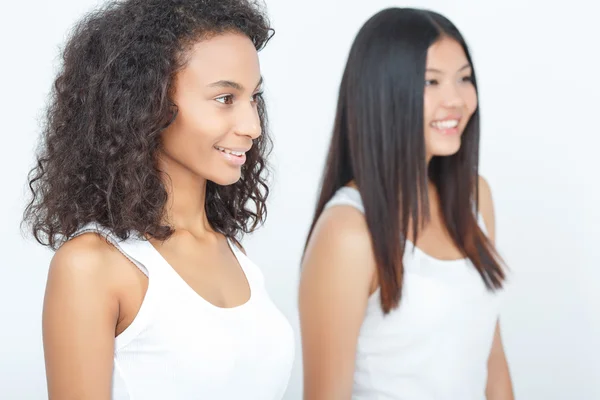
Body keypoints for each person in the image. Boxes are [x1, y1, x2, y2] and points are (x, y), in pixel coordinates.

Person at [23, 0, 294, 398]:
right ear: (145, 102)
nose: (252, 126)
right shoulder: (93, 266)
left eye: (254, 97)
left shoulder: (234, 254)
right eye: (224, 98)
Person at [299, 8, 514, 400]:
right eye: (430, 82)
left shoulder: (475, 197)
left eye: (464, 78)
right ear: (384, 93)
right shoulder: (348, 232)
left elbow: (492, 360)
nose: (456, 100)